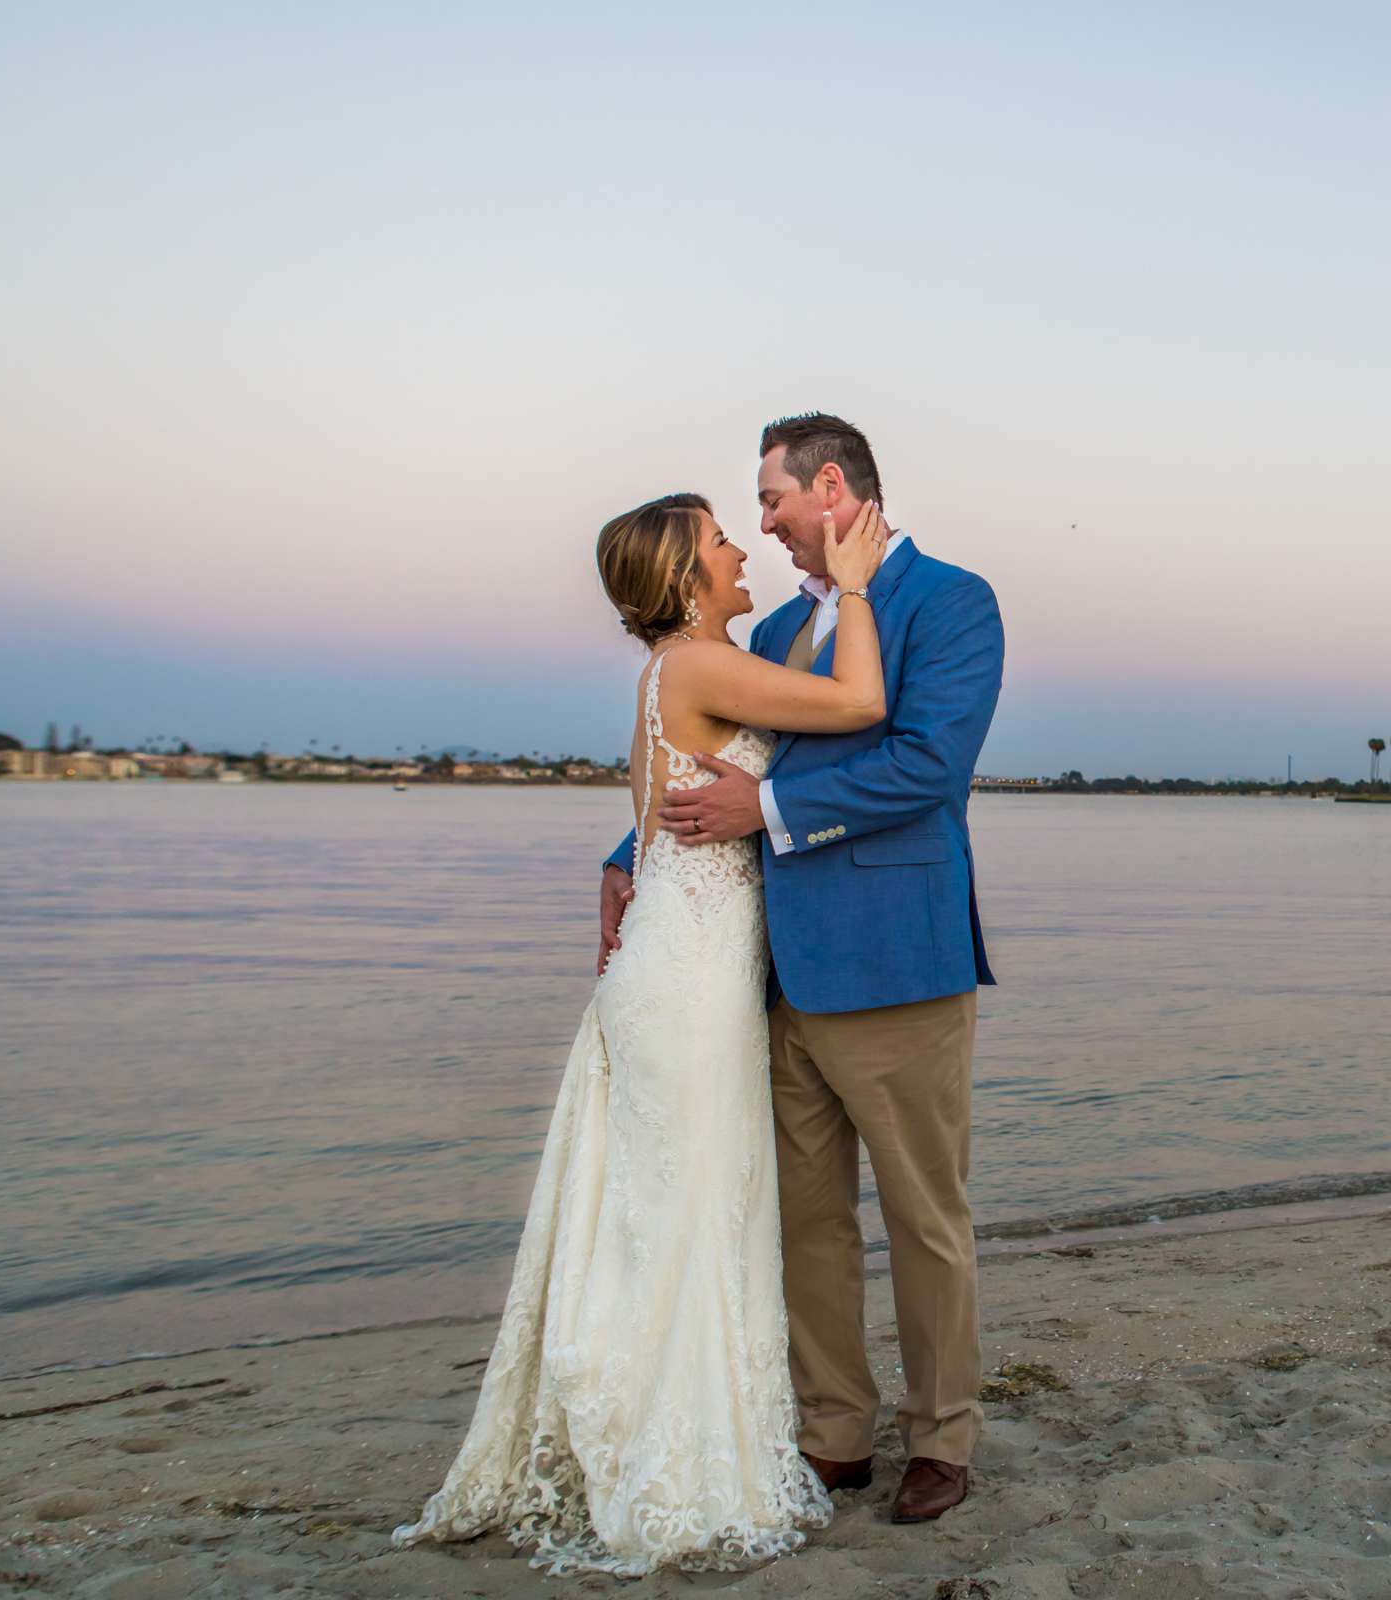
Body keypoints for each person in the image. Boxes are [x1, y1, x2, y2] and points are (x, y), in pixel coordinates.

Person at [392, 488, 891, 1575]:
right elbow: (858, 703)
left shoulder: (675, 672)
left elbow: (648, 819)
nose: (736, 547)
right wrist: (853, 589)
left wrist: (619, 865)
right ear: (684, 576)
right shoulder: (697, 663)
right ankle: (669, 1456)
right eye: (719, 538)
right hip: (689, 978)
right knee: (691, 1210)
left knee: (680, 1209)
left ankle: (663, 1430)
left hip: (687, 961)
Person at [599, 413, 1004, 1523]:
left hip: (899, 968)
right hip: (772, 975)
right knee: (808, 1221)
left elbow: (925, 765)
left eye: (770, 500)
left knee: (926, 1218)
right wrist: (628, 852)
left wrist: (767, 809)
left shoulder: (953, 602)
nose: (764, 524)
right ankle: (834, 1433)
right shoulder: (772, 626)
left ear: (832, 486)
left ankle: (941, 1435)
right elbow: (709, 750)